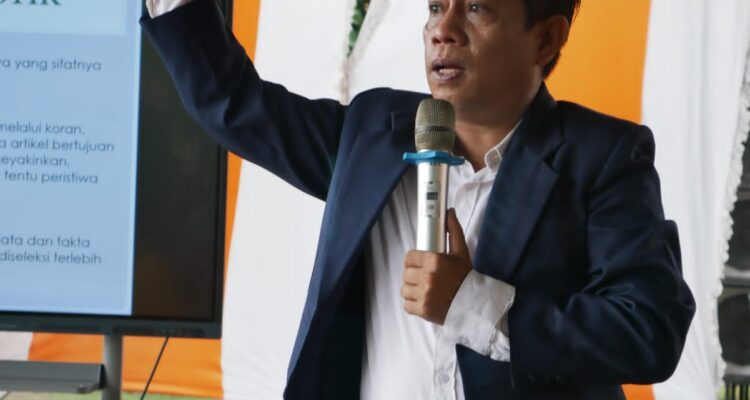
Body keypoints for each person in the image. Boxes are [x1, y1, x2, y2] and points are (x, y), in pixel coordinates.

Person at [142, 0, 696, 399]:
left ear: (546, 39)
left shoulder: (602, 157)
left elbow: (648, 332)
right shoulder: (373, 133)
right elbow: (235, 105)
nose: (443, 30)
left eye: (475, 9)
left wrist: (476, 304)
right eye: (434, 7)